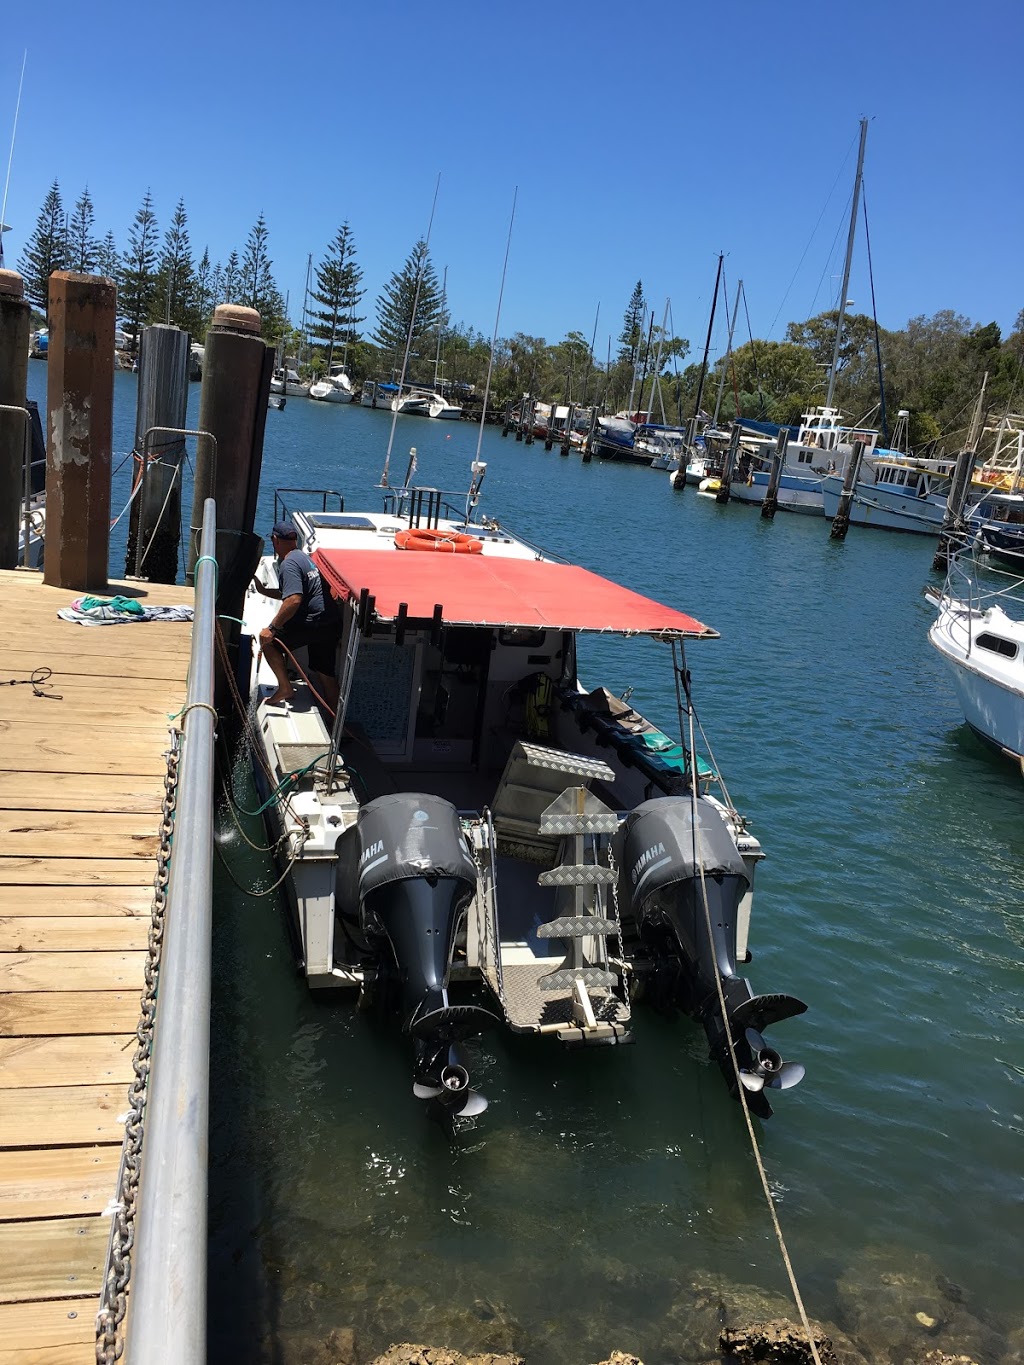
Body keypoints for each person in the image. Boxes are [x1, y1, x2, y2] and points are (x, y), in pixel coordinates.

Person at [253, 521, 340, 709]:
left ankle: (285, 688)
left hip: (313, 621)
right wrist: (263, 591)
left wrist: (272, 628)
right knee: (325, 672)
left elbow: (293, 599)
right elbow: (291, 592)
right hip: (330, 621)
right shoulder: (303, 557)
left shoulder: (288, 564)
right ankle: (336, 722)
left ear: (275, 540)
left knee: (269, 642)